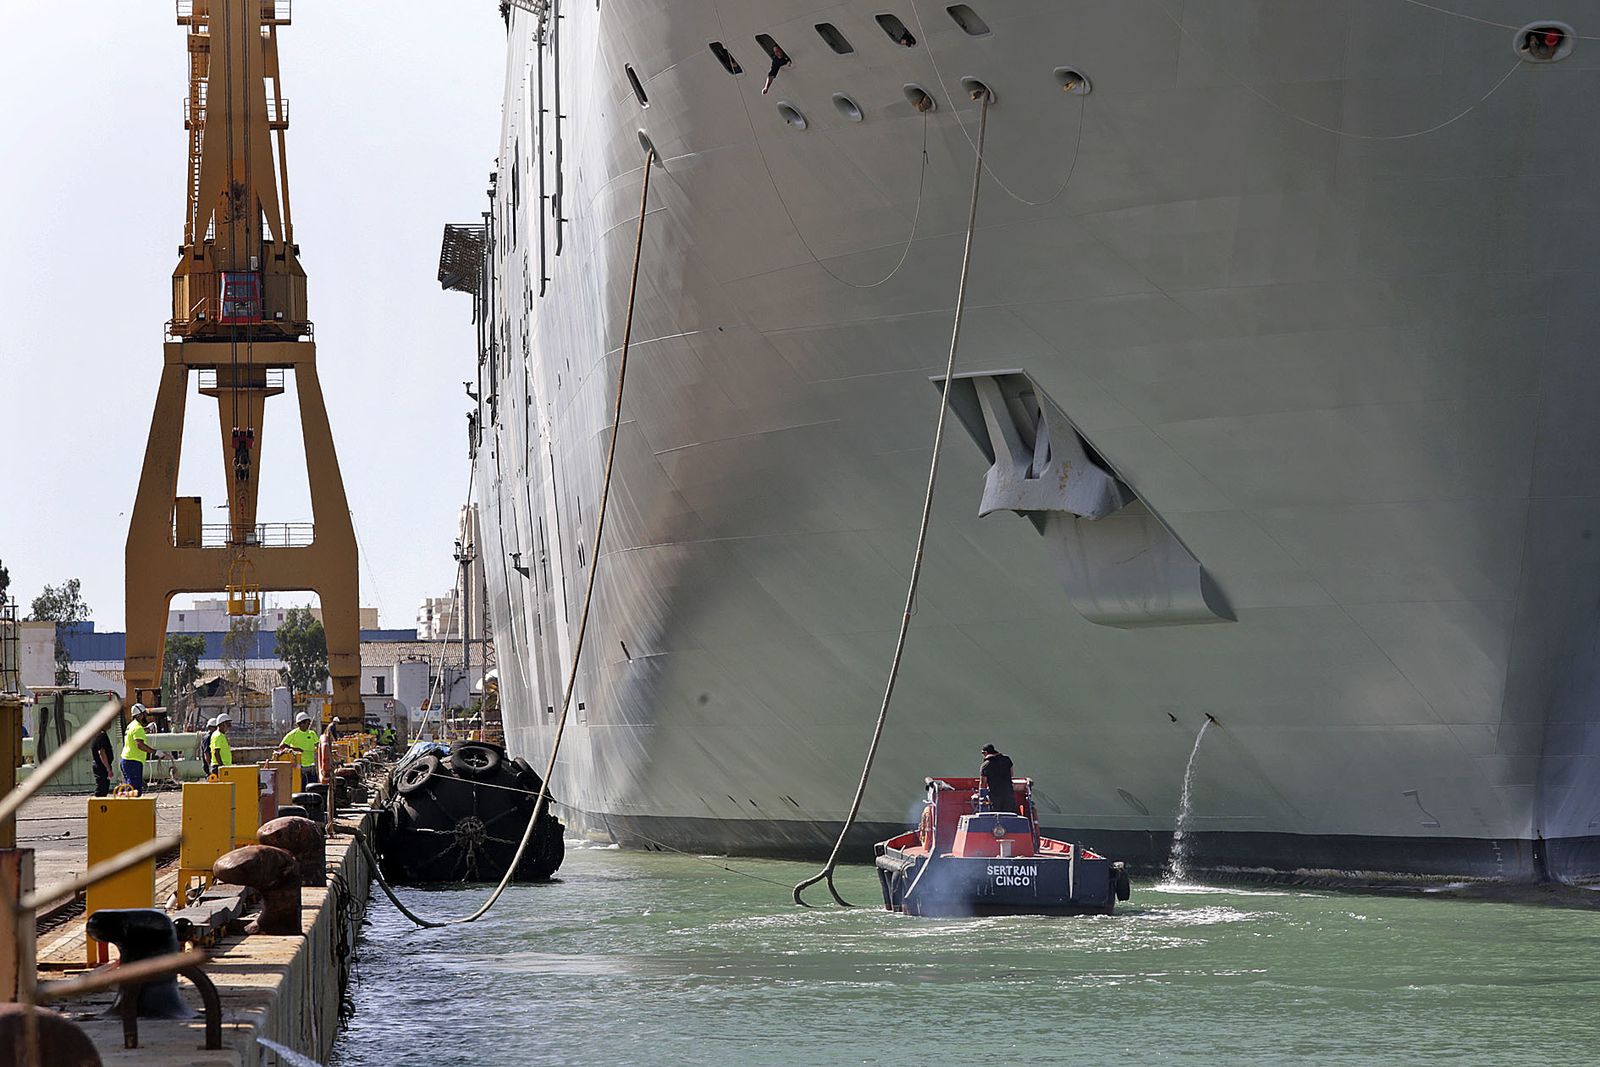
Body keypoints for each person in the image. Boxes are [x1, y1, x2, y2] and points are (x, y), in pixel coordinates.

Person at [275, 711, 321, 786]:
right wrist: (295, 749)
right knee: (301, 788)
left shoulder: (312, 734)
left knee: (314, 787)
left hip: (312, 767)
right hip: (300, 767)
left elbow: (319, 746)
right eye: (307, 723)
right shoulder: (293, 734)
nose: (308, 725)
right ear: (301, 723)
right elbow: (282, 746)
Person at [120, 703, 157, 794]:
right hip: (133, 762)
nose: (146, 716)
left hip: (127, 760)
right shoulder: (137, 728)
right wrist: (155, 752)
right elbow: (139, 745)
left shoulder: (132, 725)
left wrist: (146, 729)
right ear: (140, 715)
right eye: (144, 714)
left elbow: (137, 733)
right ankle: (127, 803)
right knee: (135, 791)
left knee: (131, 789)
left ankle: (125, 799)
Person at [979, 743, 1016, 814]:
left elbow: (983, 783)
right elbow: (1011, 775)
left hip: (995, 797)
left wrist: (981, 796)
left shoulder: (986, 765)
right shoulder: (1007, 760)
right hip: (1009, 795)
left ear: (986, 752)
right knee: (1010, 816)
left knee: (996, 818)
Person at [90, 725, 114, 798]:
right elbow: (102, 753)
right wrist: (108, 768)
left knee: (103, 787)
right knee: (102, 789)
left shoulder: (95, 736)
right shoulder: (101, 736)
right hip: (102, 766)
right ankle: (98, 806)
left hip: (100, 765)